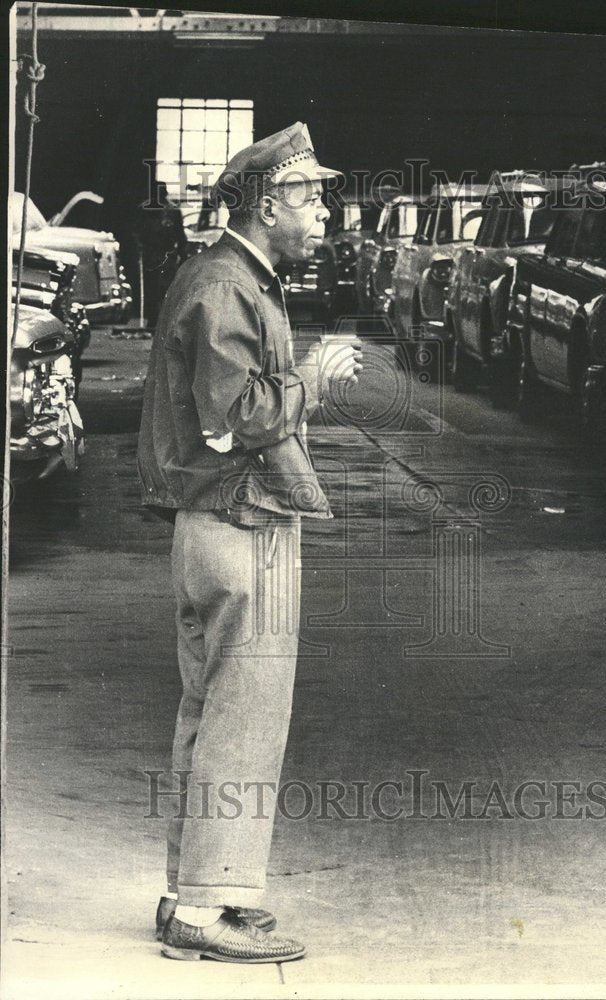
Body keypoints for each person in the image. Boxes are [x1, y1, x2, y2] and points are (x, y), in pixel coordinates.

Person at [137, 122, 362, 963]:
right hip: (238, 517)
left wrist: (296, 379)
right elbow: (234, 421)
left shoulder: (230, 278)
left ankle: (191, 893)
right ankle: (204, 911)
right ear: (269, 204)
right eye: (312, 200)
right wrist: (314, 380)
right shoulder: (228, 285)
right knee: (245, 718)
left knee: (209, 711)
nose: (325, 216)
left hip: (217, 520)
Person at [135, 180, 188, 327]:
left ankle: (164, 319)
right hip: (150, 253)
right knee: (151, 287)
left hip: (167, 253)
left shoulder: (173, 211)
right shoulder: (145, 209)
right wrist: (139, 245)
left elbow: (180, 234)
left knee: (165, 287)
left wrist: (182, 253)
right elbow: (137, 231)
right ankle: (152, 319)